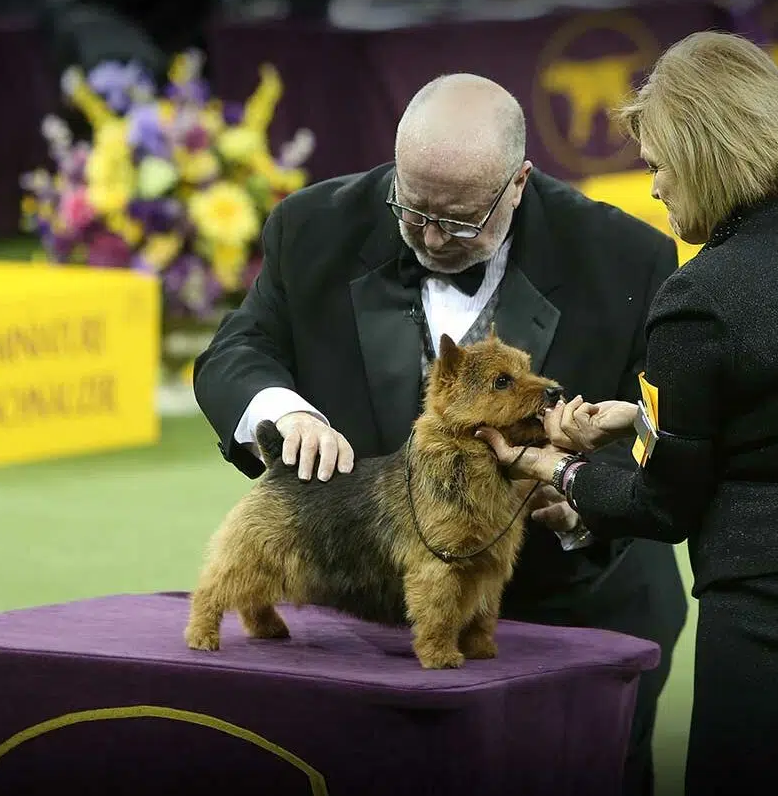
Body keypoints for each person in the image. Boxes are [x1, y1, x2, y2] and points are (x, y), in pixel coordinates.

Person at [476, 31, 778, 796]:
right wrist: (639, 419)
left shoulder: (700, 300)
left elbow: (665, 507)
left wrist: (554, 467)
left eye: (659, 166)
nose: (656, 188)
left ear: (700, 157)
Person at [192, 72, 688, 796]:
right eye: (412, 209)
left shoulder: (625, 256)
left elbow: (671, 435)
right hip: (371, 621)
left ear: (518, 183)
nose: (428, 236)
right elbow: (237, 352)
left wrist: (597, 497)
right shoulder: (312, 226)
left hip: (576, 611)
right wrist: (282, 409)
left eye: (456, 222)